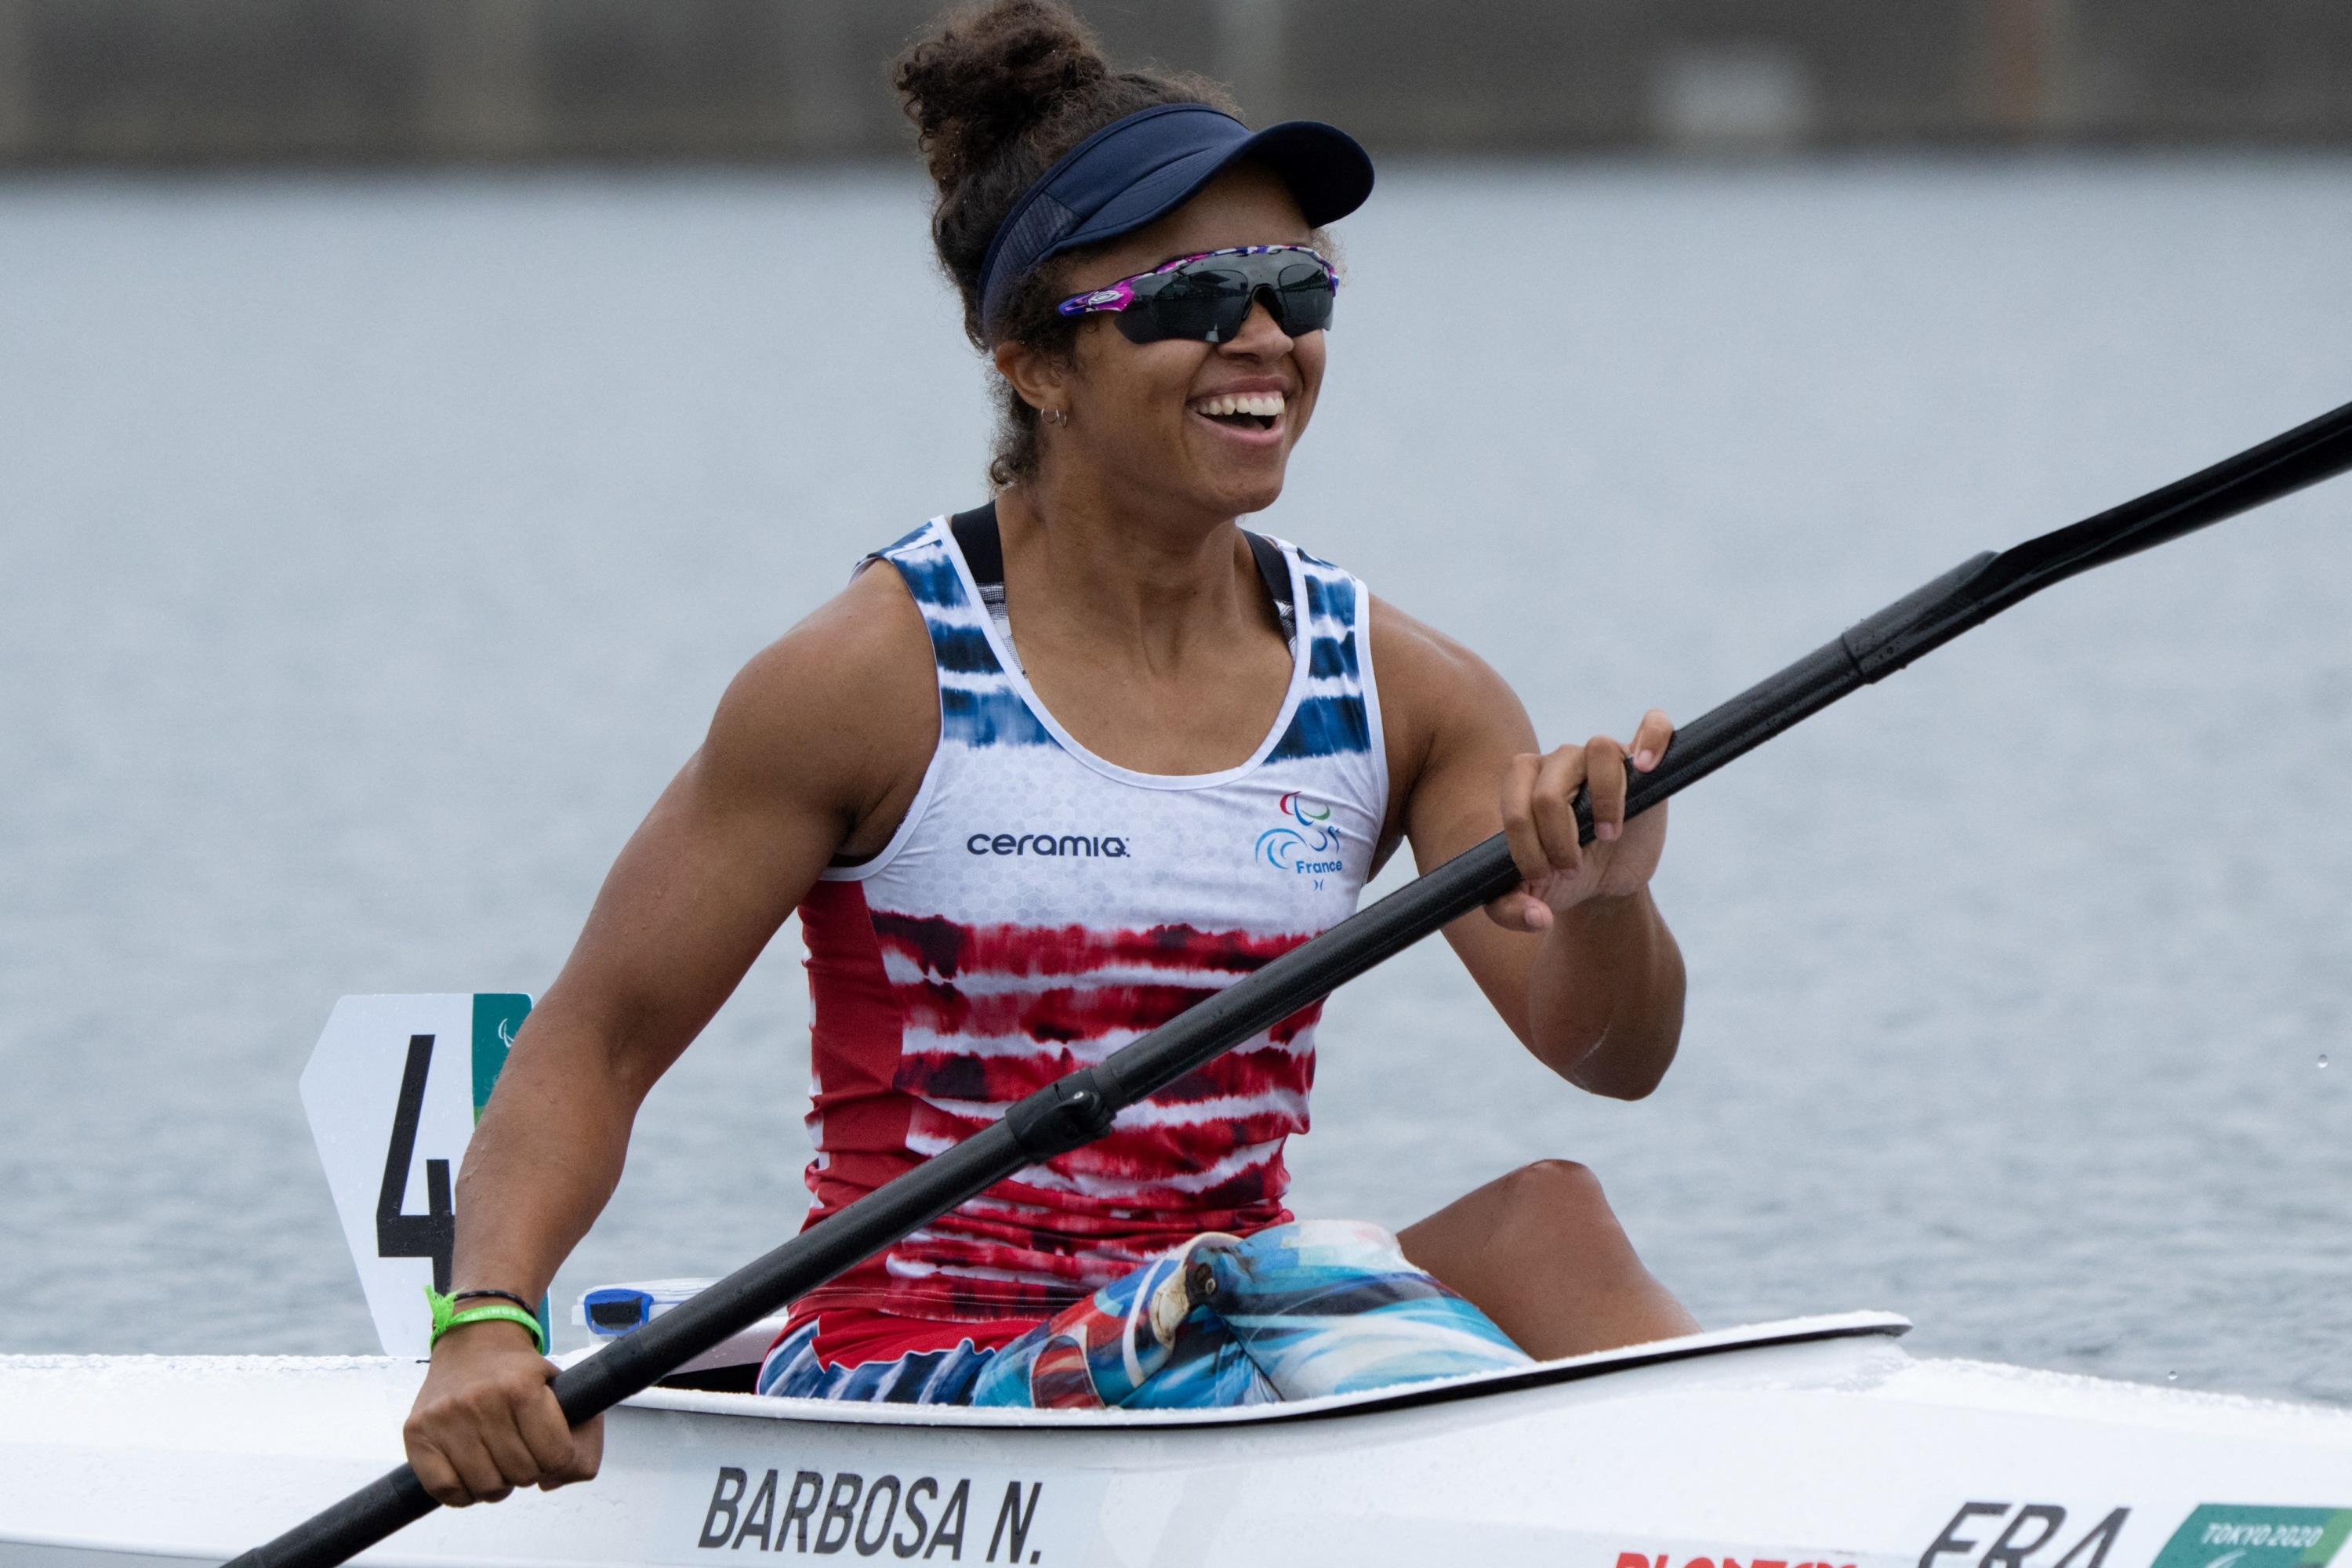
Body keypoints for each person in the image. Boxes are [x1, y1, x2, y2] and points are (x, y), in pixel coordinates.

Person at [401, 0, 1695, 1508]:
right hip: (924, 1368)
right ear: (1036, 361)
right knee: (1270, 1296)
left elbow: (1605, 1054)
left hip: (1228, 1316)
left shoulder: (1407, 693)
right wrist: (485, 1328)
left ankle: (1773, 1514)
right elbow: (595, 1045)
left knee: (1552, 1216)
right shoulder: (870, 681)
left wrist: (1608, 904)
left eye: (1294, 283)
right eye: (1192, 295)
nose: (1264, 334)